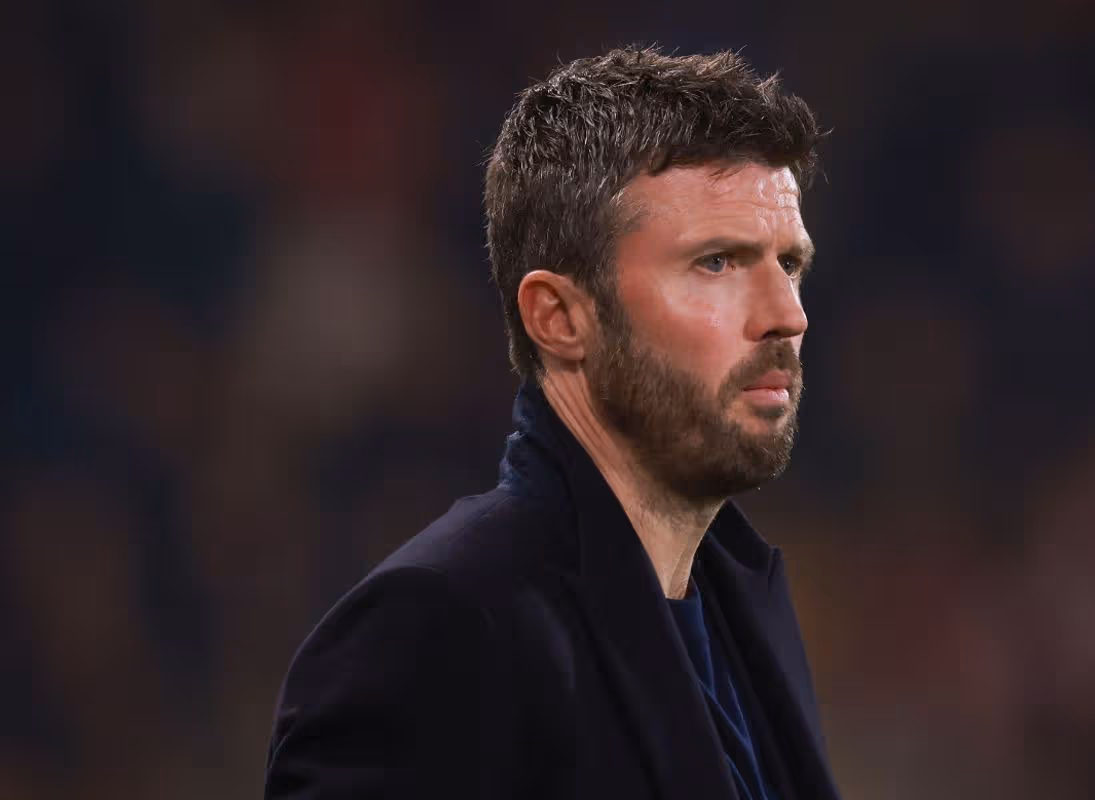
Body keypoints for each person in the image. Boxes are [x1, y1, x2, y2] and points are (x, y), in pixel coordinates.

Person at [264, 46, 840, 800]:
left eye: (789, 264)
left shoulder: (740, 608)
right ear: (560, 318)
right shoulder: (439, 627)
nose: (787, 315)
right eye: (717, 263)